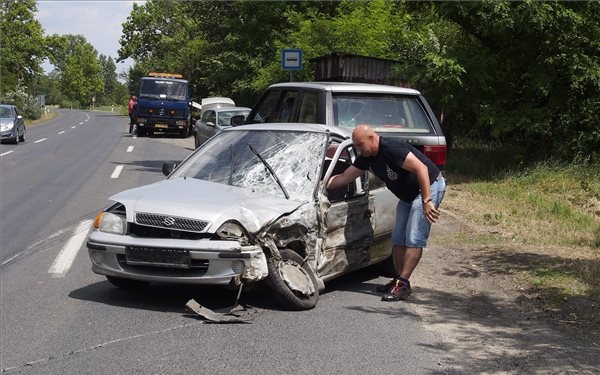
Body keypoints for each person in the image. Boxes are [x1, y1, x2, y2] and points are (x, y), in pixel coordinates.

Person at [326, 125, 446, 301]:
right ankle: (399, 281)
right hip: (408, 195)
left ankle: (403, 284)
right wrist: (320, 185)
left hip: (428, 187)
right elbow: (345, 178)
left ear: (372, 139)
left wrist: (426, 200)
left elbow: (422, 169)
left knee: (414, 238)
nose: (358, 149)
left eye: (360, 145)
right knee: (398, 238)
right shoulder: (366, 157)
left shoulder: (392, 149)